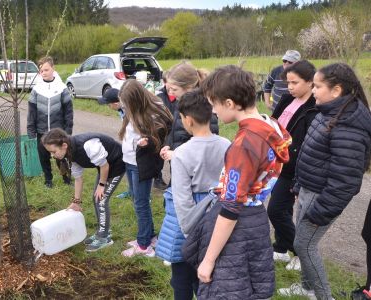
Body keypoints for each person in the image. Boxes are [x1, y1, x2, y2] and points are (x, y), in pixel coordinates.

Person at [188, 65, 291, 299]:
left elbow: (231, 207)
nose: (212, 112)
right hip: (256, 217)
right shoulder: (270, 124)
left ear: (229, 103)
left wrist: (208, 260)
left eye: (213, 105)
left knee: (227, 289)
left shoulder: (245, 144)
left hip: (239, 223)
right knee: (251, 284)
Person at [278, 63, 371, 300]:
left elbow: (346, 180)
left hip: (321, 197)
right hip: (308, 190)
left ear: (337, 90)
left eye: (318, 86)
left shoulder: (349, 123)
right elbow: (310, 154)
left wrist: (322, 210)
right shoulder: (329, 111)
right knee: (302, 244)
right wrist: (299, 185)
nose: (314, 91)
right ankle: (307, 288)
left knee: (304, 246)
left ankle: (323, 296)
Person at [156, 89, 230, 300]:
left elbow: (182, 200)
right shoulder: (227, 145)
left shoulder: (181, 154)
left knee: (181, 277)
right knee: (208, 273)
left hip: (188, 219)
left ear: (187, 120)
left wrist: (190, 236)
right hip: (218, 214)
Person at [267, 60, 318, 272]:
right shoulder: (288, 98)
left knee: (275, 210)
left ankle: (299, 253)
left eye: (294, 83)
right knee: (284, 209)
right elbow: (274, 121)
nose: (289, 87)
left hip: (294, 167)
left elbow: (309, 142)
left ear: (310, 82)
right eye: (288, 82)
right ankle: (281, 248)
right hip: (277, 162)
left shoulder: (314, 107)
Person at [41, 128, 125, 252]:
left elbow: (105, 166)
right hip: (104, 166)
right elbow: (78, 179)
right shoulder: (70, 153)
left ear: (64, 145)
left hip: (116, 163)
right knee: (97, 198)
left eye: (53, 152)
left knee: (101, 199)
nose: (52, 156)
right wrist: (76, 201)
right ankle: (102, 231)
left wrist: (101, 185)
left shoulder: (88, 145)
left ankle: (104, 238)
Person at [117, 79, 173, 257]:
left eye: (126, 103)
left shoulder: (153, 110)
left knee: (141, 204)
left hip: (140, 164)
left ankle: (143, 246)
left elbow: (162, 134)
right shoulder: (133, 110)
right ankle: (149, 236)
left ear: (136, 99)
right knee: (138, 201)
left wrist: (147, 141)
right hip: (130, 160)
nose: (125, 107)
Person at [158, 62, 219, 171]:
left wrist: (176, 154)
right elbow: (176, 129)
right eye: (169, 89)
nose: (171, 93)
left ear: (188, 87)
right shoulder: (182, 102)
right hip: (180, 165)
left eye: (174, 89)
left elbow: (206, 148)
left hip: (194, 172)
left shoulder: (204, 108)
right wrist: (168, 144)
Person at [27, 56, 74, 188]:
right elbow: (31, 113)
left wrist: (68, 131)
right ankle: (48, 180)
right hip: (41, 131)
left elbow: (68, 112)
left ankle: (66, 178)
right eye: (41, 71)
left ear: (53, 69)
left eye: (46, 69)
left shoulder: (62, 88)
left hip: (58, 131)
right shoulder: (36, 89)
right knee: (43, 157)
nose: (44, 73)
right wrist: (31, 131)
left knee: (62, 156)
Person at [97, 88, 132, 200]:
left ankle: (144, 195)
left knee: (138, 170)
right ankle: (131, 191)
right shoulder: (121, 109)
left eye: (108, 104)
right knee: (128, 167)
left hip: (138, 145)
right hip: (128, 143)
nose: (108, 106)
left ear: (116, 103)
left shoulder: (131, 110)